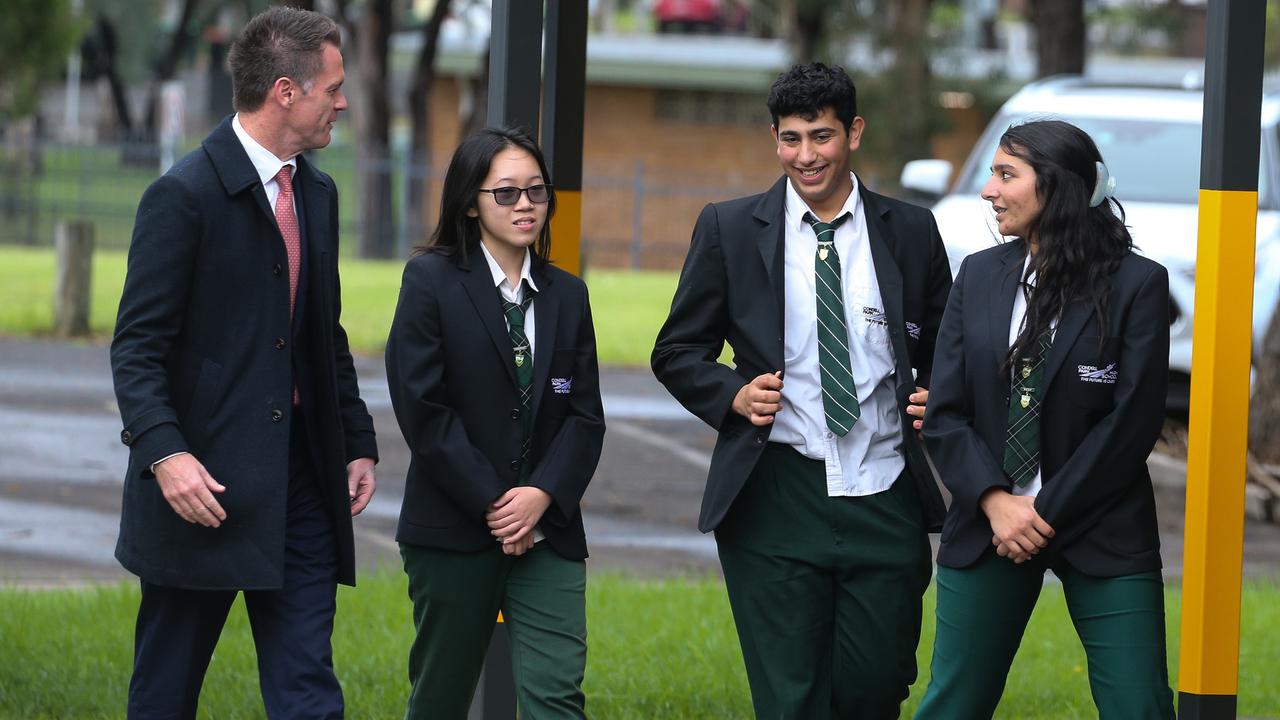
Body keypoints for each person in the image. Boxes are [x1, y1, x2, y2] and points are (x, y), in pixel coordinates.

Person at [651, 62, 952, 718]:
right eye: (791, 139)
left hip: (884, 493)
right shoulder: (729, 230)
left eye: (821, 136)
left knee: (877, 686)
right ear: (774, 139)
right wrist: (731, 394)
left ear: (855, 133)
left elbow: (943, 353)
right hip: (774, 496)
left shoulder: (910, 232)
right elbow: (675, 351)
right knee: (790, 699)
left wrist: (936, 393)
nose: (806, 155)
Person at [110, 7, 378, 718]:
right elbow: (136, 349)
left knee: (308, 694)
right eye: (334, 88)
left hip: (302, 490)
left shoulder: (317, 194)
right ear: (286, 92)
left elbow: (326, 334)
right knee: (165, 695)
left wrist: (355, 442)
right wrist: (166, 456)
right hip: (201, 491)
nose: (343, 103)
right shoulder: (182, 196)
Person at [914, 119, 1175, 719]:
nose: (988, 190)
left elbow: (1131, 424)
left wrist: (1043, 512)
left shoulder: (1138, 285)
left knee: (1140, 706)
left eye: (1007, 175)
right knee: (953, 705)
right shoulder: (977, 276)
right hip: (990, 525)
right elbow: (946, 412)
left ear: (1055, 187)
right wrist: (996, 503)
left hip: (1103, 523)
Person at [384, 126, 605, 720]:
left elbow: (585, 418)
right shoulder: (429, 282)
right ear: (470, 202)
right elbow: (423, 410)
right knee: (442, 696)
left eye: (536, 191)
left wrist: (541, 496)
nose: (525, 204)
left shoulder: (569, 295)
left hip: (549, 531)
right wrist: (494, 501)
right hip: (453, 529)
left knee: (557, 697)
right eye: (506, 192)